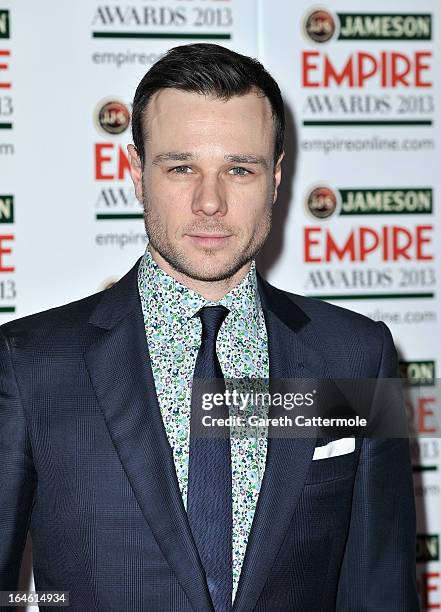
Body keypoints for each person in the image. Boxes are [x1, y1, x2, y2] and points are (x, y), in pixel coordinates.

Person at [0, 43, 419, 611]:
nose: (209, 202)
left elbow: (380, 589)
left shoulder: (355, 354)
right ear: (135, 174)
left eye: (238, 170)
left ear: (274, 179)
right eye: (181, 167)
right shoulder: (29, 362)